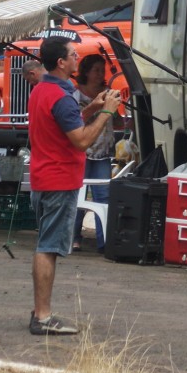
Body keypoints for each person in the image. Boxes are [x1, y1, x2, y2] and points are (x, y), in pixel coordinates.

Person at [28, 36, 122, 336]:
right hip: (59, 180)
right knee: (48, 248)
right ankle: (43, 316)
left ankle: (40, 312)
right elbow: (81, 140)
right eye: (72, 55)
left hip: (43, 177)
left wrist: (91, 108)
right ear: (61, 62)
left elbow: (65, 124)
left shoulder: (42, 90)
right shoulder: (61, 96)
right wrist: (106, 112)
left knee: (47, 245)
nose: (76, 60)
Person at [72, 54, 116, 253]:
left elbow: (118, 121)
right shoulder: (76, 94)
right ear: (86, 72)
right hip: (82, 149)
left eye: (102, 70)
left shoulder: (108, 92)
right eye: (96, 70)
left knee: (103, 197)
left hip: (102, 151)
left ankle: (103, 241)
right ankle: (73, 237)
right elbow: (77, 119)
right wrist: (98, 106)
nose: (100, 74)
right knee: (76, 194)